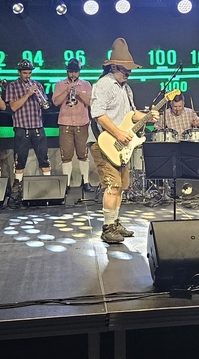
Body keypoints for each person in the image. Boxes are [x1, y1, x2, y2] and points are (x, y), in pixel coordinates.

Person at [90, 38, 158, 244]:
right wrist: (118, 133)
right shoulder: (104, 84)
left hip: (120, 145)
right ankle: (107, 228)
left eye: (129, 71)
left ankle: (115, 222)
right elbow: (98, 114)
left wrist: (148, 116)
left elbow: (131, 114)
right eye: (125, 70)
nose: (128, 74)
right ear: (113, 67)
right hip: (105, 142)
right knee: (112, 186)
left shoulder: (125, 88)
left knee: (120, 186)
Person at [4, 59, 52, 195]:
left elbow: (45, 104)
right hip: (21, 127)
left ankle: (48, 183)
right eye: (25, 73)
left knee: (44, 157)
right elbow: (13, 107)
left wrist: (41, 99)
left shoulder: (38, 85)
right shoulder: (12, 86)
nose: (28, 76)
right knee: (20, 158)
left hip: (38, 126)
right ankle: (18, 183)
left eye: (29, 73)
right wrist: (28, 94)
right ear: (19, 73)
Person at [51, 59, 94, 193]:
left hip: (82, 123)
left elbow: (91, 102)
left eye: (75, 72)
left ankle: (86, 181)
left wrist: (79, 93)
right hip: (65, 124)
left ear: (79, 72)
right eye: (70, 72)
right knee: (66, 155)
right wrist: (66, 91)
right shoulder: (60, 84)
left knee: (83, 154)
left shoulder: (86, 84)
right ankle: (67, 183)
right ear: (67, 72)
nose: (73, 75)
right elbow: (56, 102)